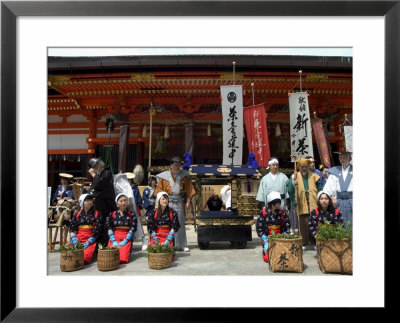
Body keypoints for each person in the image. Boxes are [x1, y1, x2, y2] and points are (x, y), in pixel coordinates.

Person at [155, 156, 196, 252]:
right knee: (168, 224)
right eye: (176, 165)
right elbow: (159, 192)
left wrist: (188, 201)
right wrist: (160, 204)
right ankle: (170, 244)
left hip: (179, 202)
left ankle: (183, 244)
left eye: (179, 165)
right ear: (171, 166)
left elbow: (189, 189)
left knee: (180, 223)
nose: (178, 167)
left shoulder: (183, 176)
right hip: (167, 203)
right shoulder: (163, 178)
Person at [287, 158, 322, 248]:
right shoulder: (295, 176)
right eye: (302, 166)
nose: (304, 168)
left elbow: (320, 189)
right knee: (303, 222)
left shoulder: (314, 176)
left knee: (314, 222)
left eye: (305, 166)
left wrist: (320, 200)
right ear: (299, 167)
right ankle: (305, 242)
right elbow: (290, 190)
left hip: (313, 201)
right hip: (301, 202)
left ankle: (314, 241)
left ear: (308, 166)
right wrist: (293, 200)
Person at [88, 157, 116, 247]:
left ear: (97, 166)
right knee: (100, 222)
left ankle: (105, 243)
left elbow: (97, 185)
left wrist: (93, 175)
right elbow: (93, 188)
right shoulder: (100, 175)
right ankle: (100, 241)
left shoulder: (107, 173)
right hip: (100, 203)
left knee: (106, 223)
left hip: (106, 204)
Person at [256, 191, 291, 262]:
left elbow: (287, 223)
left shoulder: (281, 213)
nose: (278, 205)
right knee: (267, 258)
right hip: (268, 238)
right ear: (272, 203)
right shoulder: (263, 213)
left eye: (279, 202)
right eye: (277, 203)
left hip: (279, 237)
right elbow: (259, 226)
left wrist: (285, 233)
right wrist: (263, 236)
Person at [69, 194, 103, 264]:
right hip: (78, 238)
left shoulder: (97, 213)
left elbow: (98, 229)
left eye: (91, 200)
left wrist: (89, 241)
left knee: (84, 258)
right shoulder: (77, 214)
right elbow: (72, 228)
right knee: (73, 256)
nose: (89, 202)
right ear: (82, 202)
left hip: (90, 239)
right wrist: (75, 240)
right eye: (87, 201)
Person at [105, 193, 138, 264]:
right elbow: (109, 227)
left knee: (122, 258)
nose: (123, 203)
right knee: (110, 256)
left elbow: (133, 228)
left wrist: (125, 241)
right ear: (117, 203)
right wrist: (113, 240)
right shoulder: (112, 214)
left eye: (125, 200)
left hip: (126, 236)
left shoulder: (131, 214)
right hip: (115, 236)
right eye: (121, 201)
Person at [323, 150, 353, 225]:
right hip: (338, 201)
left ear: (350, 159)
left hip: (352, 200)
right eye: (341, 158)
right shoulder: (335, 171)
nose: (342, 160)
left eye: (345, 158)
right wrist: (332, 197)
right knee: (340, 222)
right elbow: (330, 186)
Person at [125, 171, 148, 251]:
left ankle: (144, 240)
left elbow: (138, 199)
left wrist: (141, 209)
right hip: (124, 208)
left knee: (138, 224)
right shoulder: (123, 187)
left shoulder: (135, 187)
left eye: (129, 179)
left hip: (133, 208)